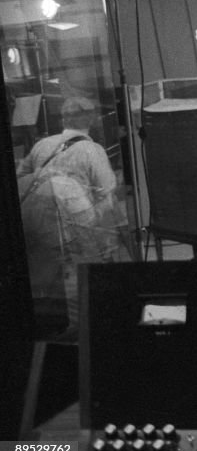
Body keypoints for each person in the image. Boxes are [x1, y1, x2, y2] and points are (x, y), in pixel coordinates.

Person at [17, 97, 128, 337]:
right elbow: (107, 191)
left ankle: (48, 323)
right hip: (71, 216)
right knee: (80, 265)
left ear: (64, 119)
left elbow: (21, 175)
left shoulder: (42, 144)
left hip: (35, 218)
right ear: (90, 118)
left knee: (49, 269)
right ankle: (80, 327)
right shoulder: (92, 150)